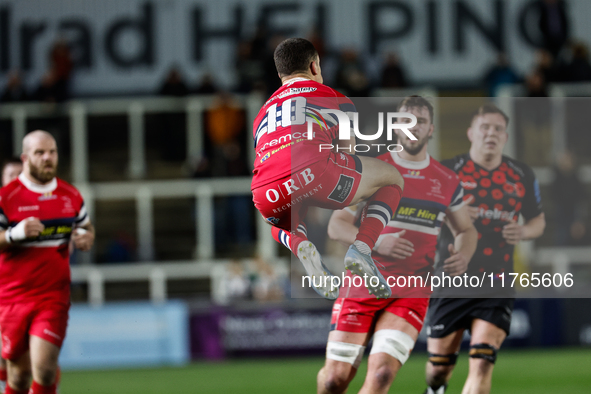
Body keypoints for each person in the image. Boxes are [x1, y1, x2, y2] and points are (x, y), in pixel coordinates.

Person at [316, 96, 477, 394]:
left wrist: (464, 254)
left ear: (431, 130)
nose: (413, 129)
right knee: (333, 380)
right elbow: (336, 225)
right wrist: (378, 243)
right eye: (406, 121)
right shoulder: (371, 169)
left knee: (380, 377)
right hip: (361, 284)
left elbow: (466, 229)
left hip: (410, 290)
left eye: (421, 122)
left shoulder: (447, 180)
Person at [251, 38, 405, 300]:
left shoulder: (261, 114)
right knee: (392, 178)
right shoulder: (336, 98)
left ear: (280, 75)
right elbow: (350, 156)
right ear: (314, 66)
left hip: (265, 194)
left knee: (279, 215)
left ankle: (300, 245)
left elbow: (274, 160)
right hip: (319, 175)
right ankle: (362, 249)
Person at [423, 104, 545, 394]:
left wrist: (524, 231)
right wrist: (456, 215)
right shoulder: (446, 170)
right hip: (452, 280)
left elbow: (538, 220)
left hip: (497, 282)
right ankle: (435, 389)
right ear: (471, 133)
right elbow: (422, 215)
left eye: (498, 129)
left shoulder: (521, 175)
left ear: (505, 136)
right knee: (439, 368)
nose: (491, 133)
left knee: (481, 362)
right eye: (485, 127)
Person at [0, 130, 95, 394]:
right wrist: (14, 234)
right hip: (12, 298)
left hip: (52, 297)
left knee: (43, 368)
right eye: (40, 153)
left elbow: (86, 227)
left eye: (52, 152)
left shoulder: (70, 196)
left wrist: (86, 238)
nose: (47, 158)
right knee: (18, 377)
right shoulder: (6, 198)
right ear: (25, 158)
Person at [0, 158, 23, 393]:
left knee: (40, 355)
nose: (15, 179)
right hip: (3, 292)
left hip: (32, 292)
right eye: (10, 175)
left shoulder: (41, 207)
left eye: (20, 174)